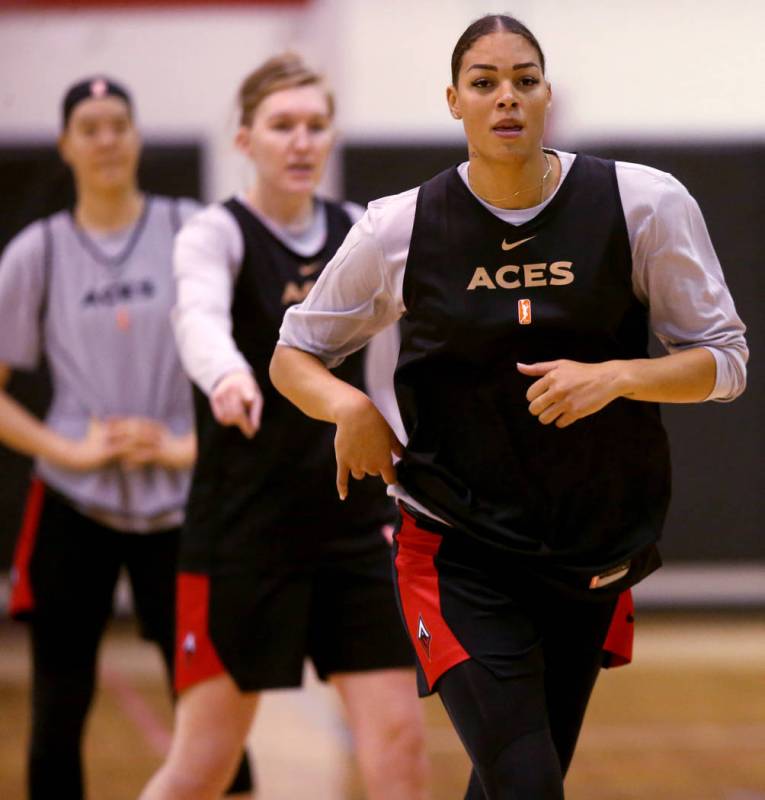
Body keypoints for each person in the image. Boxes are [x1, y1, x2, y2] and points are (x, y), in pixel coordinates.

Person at [269, 14, 749, 800]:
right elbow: (293, 353)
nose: (506, 99)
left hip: (589, 550)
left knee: (513, 783)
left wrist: (619, 376)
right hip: (457, 545)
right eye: (485, 83)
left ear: (547, 96)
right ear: (453, 100)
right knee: (527, 784)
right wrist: (347, 408)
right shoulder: (400, 225)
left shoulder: (643, 204)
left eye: (524, 80)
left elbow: (725, 363)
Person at [139, 54, 428, 800]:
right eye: (281, 126)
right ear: (245, 139)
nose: (300, 142)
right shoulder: (215, 234)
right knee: (203, 766)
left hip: (355, 530)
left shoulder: (360, 231)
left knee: (398, 745)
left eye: (315, 126)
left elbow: (390, 375)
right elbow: (197, 316)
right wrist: (227, 375)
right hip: (243, 534)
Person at [0, 77, 253, 799]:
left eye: (119, 124)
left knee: (209, 704)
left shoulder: (192, 231)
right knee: (58, 703)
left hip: (183, 501)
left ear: (137, 137)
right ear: (66, 145)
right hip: (73, 502)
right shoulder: (36, 254)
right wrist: (69, 449)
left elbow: (254, 360)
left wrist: (184, 446)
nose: (107, 138)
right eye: (90, 126)